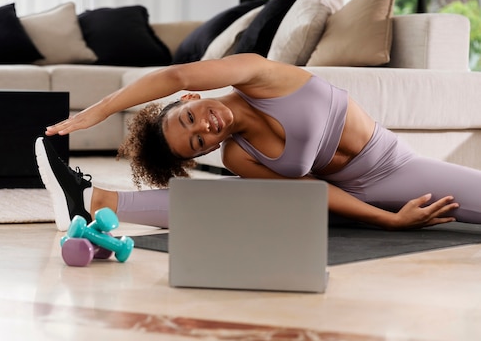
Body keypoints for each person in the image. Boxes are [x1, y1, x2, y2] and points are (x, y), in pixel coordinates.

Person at [35, 53, 481, 231]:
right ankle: (93, 200)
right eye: (197, 143)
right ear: (206, 152)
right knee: (236, 198)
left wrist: (104, 108)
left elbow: (175, 74)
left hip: (394, 170)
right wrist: (388, 223)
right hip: (339, 200)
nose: (205, 128)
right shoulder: (236, 155)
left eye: (190, 116)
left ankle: (92, 199)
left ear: (190, 97)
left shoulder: (260, 76)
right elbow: (310, 190)